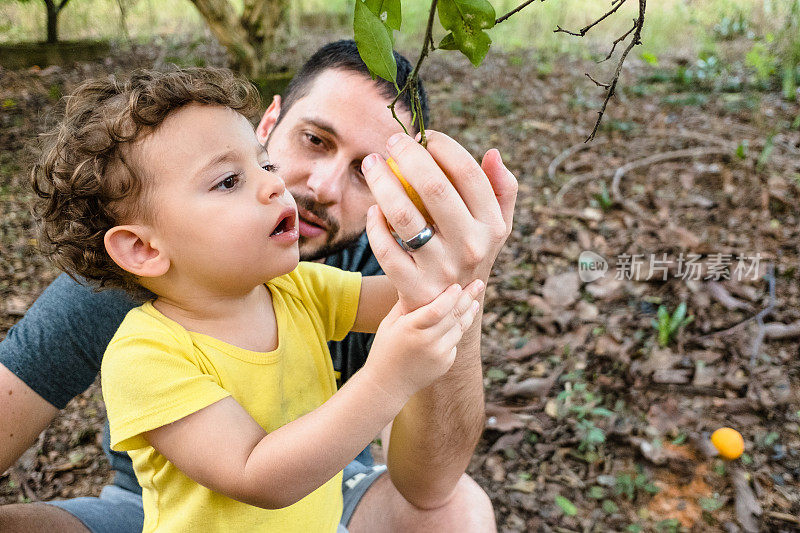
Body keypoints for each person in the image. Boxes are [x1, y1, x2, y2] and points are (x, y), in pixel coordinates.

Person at [0, 40, 518, 532]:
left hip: (327, 498)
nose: (295, 187)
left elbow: (422, 295)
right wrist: (388, 376)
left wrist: (461, 261)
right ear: (145, 250)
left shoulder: (295, 287)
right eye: (230, 180)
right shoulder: (143, 347)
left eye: (368, 169)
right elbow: (257, 474)